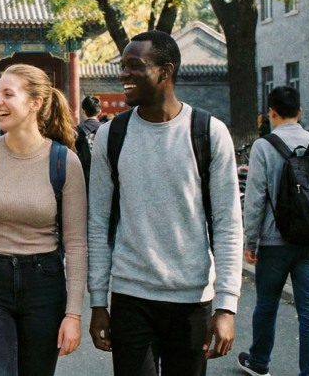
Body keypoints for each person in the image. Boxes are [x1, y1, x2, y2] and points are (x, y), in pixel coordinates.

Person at [87, 30, 243, 376]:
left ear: (166, 71)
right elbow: (97, 222)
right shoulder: (111, 136)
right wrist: (98, 300)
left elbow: (228, 223)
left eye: (134, 67)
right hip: (131, 296)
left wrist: (226, 306)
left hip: (192, 300)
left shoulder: (208, 132)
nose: (123, 75)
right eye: (122, 67)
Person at [0, 64, 87, 375]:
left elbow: (76, 243)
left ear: (35, 103)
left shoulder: (64, 162)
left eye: (8, 94)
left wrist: (74, 314)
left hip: (44, 285)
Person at [238, 86, 309, 376]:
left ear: (271, 113)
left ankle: (259, 362)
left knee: (267, 304)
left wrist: (251, 240)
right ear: (300, 112)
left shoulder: (264, 147)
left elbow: (255, 197)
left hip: (274, 241)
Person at [74, 95, 103, 191]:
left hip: (83, 177)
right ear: (99, 112)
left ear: (83, 111)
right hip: (103, 176)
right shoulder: (107, 129)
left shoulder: (77, 131)